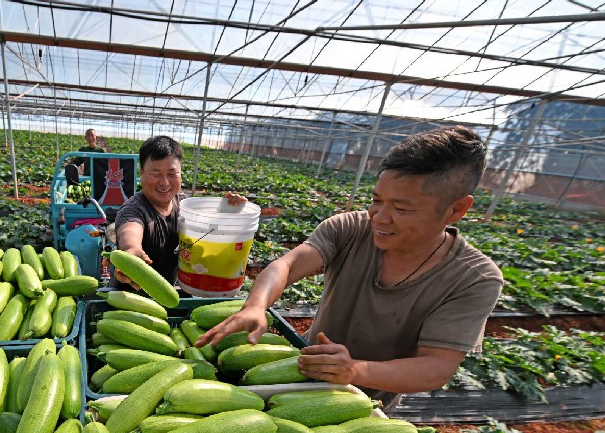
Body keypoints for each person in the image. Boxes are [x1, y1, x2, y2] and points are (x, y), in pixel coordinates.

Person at [197, 125, 503, 408]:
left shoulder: (474, 278)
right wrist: (255, 305)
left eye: (402, 208)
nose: (380, 217)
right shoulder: (350, 229)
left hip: (364, 405)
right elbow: (288, 265)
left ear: (456, 209)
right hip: (298, 373)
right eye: (377, 200)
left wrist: (353, 369)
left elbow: (436, 367)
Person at [112, 135, 247, 290]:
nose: (164, 182)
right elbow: (129, 230)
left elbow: (210, 228)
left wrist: (227, 211)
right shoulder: (134, 209)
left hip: (171, 295)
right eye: (156, 174)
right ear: (141, 172)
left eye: (172, 174)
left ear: (181, 173)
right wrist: (131, 249)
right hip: (130, 302)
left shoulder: (185, 206)